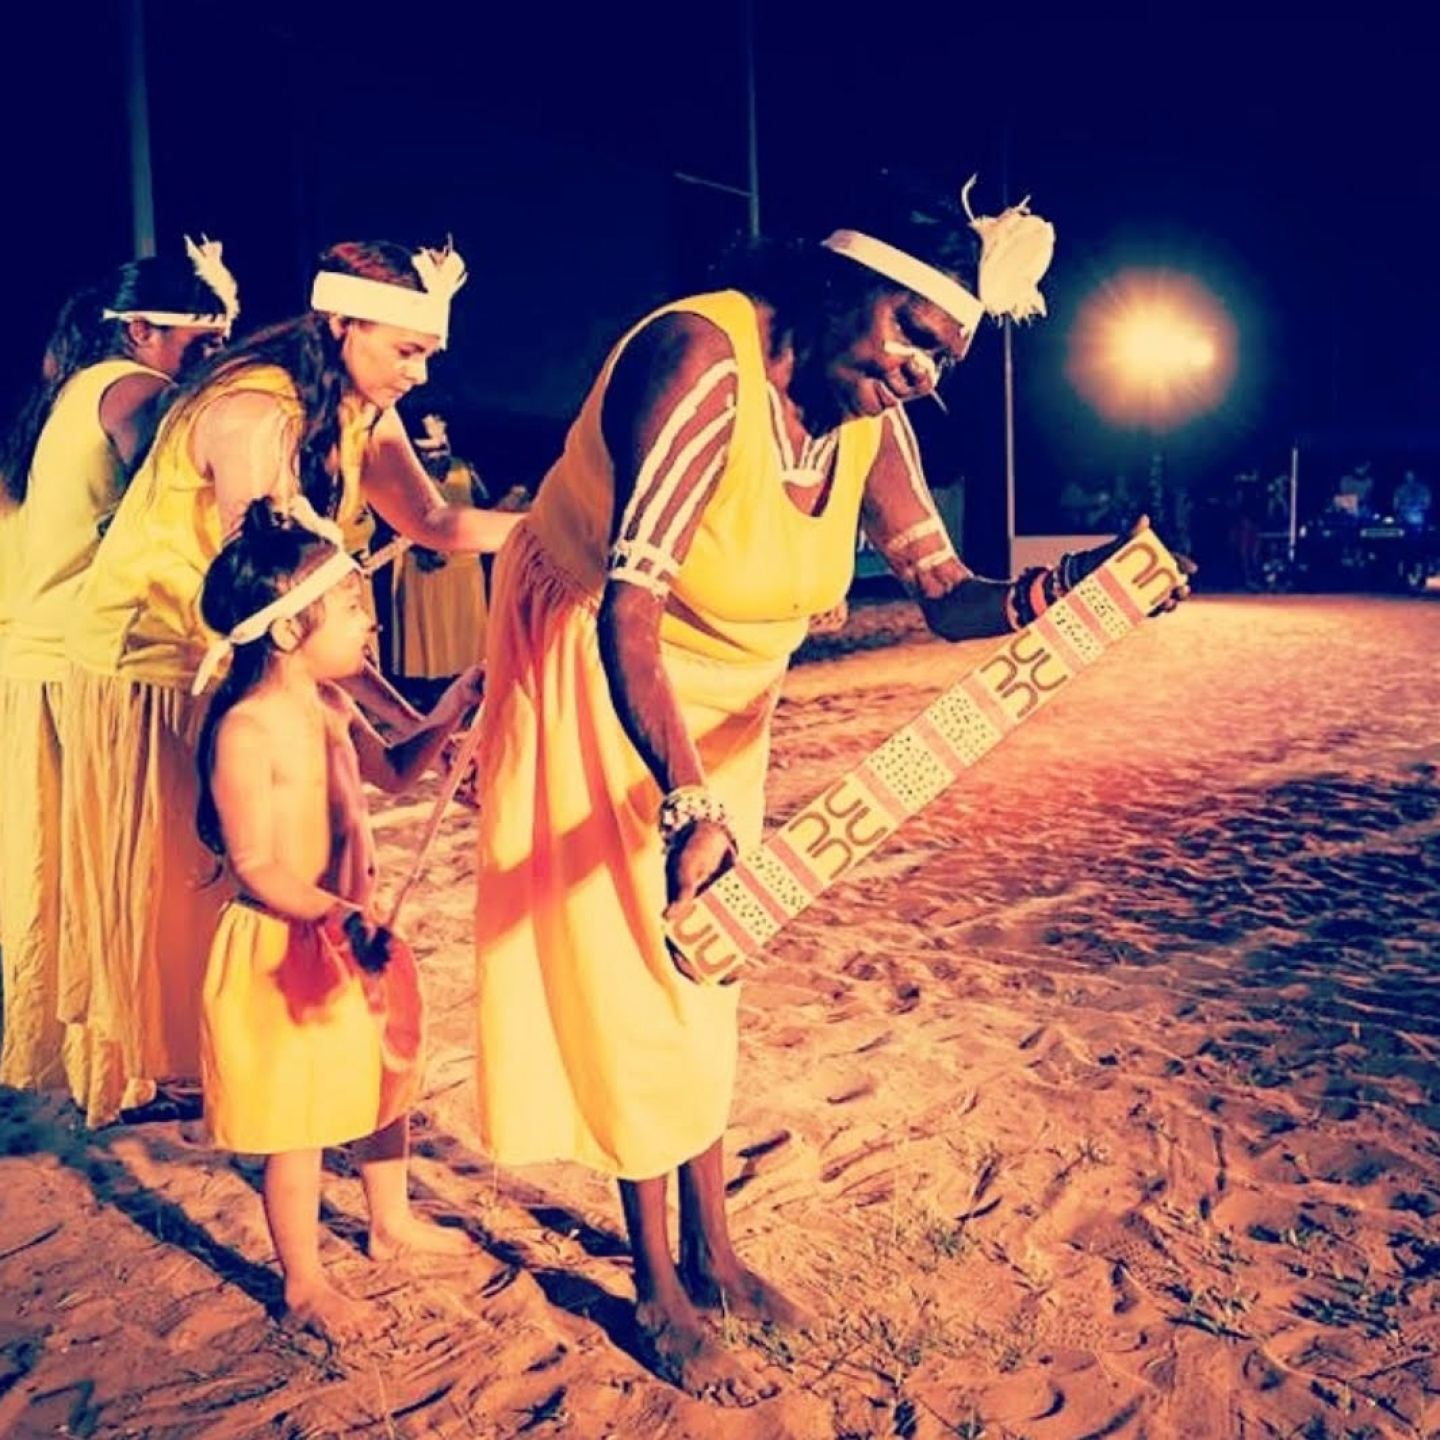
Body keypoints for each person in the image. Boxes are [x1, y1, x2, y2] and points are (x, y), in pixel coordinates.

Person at [473, 174, 1191, 1395]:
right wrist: (689, 804)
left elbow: (946, 593)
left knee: (712, 970)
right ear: (841, 287)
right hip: (596, 660)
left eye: (945, 356)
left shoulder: (869, 425)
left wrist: (1053, 597)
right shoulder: (700, 364)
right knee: (642, 978)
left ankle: (718, 1251)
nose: (923, 371)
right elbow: (632, 614)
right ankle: (657, 1291)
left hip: (728, 707)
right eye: (912, 334)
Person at [61, 238, 521, 1127]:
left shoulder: (357, 406)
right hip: (163, 659)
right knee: (221, 887)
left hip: (254, 651)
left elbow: (432, 521)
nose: (420, 374)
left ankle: (276, 1082)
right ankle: (237, 1092)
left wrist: (571, 528)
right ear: (341, 322)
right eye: (407, 350)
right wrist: (388, 715)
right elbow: (287, 597)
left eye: (429, 353)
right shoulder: (255, 412)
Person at [194, 502, 479, 1339]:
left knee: (383, 1080)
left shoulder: (329, 706)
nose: (371, 616)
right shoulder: (247, 730)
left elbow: (394, 771)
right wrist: (335, 915)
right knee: (299, 1119)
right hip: (287, 946)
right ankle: (304, 1283)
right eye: (353, 604)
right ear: (287, 632)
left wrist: (453, 710)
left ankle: (389, 1225)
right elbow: (255, 864)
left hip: (352, 934)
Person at [0, 240, 238, 1104]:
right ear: (141, 330)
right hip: (87, 667)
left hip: (37, 661)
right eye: (198, 342)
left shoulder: (71, 390)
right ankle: (130, 1059)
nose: (209, 360)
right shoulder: (137, 391)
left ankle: (94, 1065)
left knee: (68, 876)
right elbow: (167, 498)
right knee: (120, 871)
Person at [389, 413, 489, 706]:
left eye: (437, 451)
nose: (432, 459)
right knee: (428, 629)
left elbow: (483, 504)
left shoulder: (464, 471)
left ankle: (464, 682)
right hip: (423, 562)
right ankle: (425, 689)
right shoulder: (411, 476)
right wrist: (421, 549)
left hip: (463, 562)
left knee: (463, 626)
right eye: (425, 453)